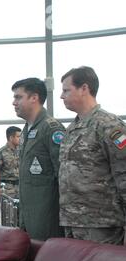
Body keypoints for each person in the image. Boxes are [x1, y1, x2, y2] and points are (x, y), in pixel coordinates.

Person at [59, 66, 126, 245]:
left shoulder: (109, 125)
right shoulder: (71, 129)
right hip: (73, 222)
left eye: (66, 90)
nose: (61, 96)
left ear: (84, 88)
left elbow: (124, 174)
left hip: (102, 225)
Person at [12, 78, 65, 240]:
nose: (14, 102)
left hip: (47, 216)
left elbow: (63, 174)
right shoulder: (27, 129)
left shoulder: (51, 128)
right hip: (29, 213)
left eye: (18, 97)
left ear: (34, 98)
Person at [0, 126, 21, 199]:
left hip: (21, 187)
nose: (20, 139)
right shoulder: (1, 152)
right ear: (11, 138)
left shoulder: (21, 151)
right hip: (7, 188)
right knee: (9, 210)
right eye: (18, 136)